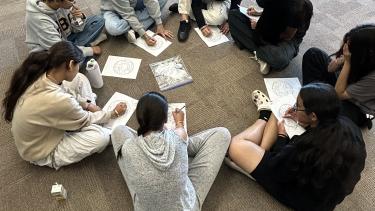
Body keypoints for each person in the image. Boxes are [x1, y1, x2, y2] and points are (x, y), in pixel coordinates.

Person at [226, 83, 366, 210]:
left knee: (235, 145)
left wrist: (282, 136)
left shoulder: (306, 146)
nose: (294, 107)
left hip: (303, 199)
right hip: (325, 200)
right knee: (281, 116)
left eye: (297, 106)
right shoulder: (350, 126)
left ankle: (264, 115)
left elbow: (279, 168)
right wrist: (301, 118)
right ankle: (259, 153)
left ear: (313, 116)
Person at [2, 41, 127, 170]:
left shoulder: (44, 72)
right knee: (102, 137)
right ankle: (85, 122)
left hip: (40, 127)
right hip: (40, 150)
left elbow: (63, 91)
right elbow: (82, 115)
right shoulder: (59, 100)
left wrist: (87, 105)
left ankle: (79, 118)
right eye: (78, 64)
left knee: (80, 78)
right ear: (71, 64)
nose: (79, 67)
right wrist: (113, 113)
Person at [111, 92, 231, 210]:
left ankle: (180, 152)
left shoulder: (127, 148)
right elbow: (180, 131)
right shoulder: (179, 136)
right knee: (222, 134)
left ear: (139, 118)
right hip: (185, 207)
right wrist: (179, 123)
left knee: (118, 131)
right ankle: (182, 152)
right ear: (165, 119)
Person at [302, 24, 375, 129]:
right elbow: (330, 69)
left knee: (335, 118)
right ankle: (311, 100)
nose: (345, 49)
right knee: (314, 54)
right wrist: (342, 60)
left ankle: (313, 108)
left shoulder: (372, 77)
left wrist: (348, 63)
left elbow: (338, 94)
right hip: (344, 84)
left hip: (356, 105)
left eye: (349, 48)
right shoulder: (356, 53)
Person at [228, 0, 313, 74]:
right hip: (269, 30)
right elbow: (274, 8)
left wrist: (260, 27)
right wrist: (259, 13)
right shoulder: (279, 3)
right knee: (233, 15)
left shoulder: (298, 8)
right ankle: (263, 54)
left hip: (287, 40)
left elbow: (287, 36)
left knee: (278, 58)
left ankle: (262, 53)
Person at [25, 0, 106, 57]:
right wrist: (89, 51)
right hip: (50, 50)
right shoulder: (39, 20)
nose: (74, 2)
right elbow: (58, 49)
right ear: (57, 1)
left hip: (66, 38)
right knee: (72, 64)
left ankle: (79, 48)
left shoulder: (63, 5)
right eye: (71, 0)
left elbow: (76, 29)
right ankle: (83, 47)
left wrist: (78, 18)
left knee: (98, 20)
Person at [101, 0, 173, 46]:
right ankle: (137, 21)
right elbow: (128, 14)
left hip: (133, 4)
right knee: (114, 29)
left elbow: (151, 1)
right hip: (112, 10)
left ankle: (133, 25)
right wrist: (144, 35)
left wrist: (159, 24)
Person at [169, 0, 239, 41]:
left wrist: (229, 21)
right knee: (192, 5)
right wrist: (202, 25)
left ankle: (183, 8)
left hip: (218, 1)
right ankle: (184, 18)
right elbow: (195, 3)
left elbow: (236, 3)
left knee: (219, 19)